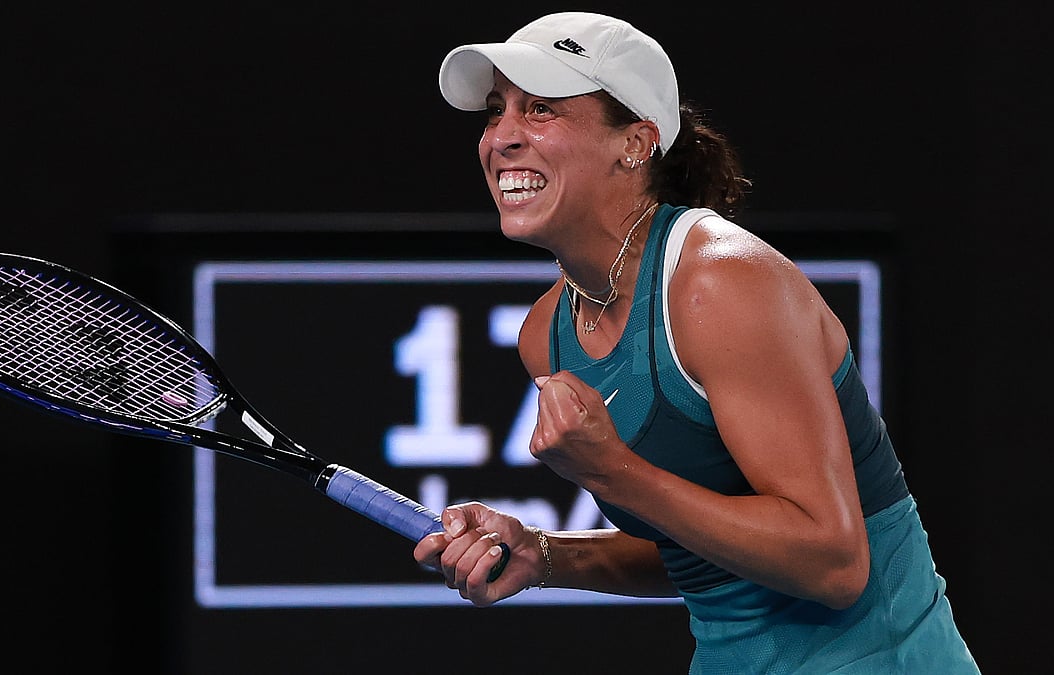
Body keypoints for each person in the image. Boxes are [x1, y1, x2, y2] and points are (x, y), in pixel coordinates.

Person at [413, 11, 979, 673]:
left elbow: (834, 562)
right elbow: (704, 551)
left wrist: (614, 472)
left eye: (540, 109)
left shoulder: (723, 283)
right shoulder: (547, 333)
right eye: (494, 111)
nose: (502, 137)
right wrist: (547, 553)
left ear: (635, 142)